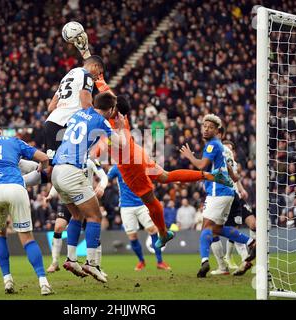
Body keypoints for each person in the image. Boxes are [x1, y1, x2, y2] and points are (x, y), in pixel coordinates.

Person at [93, 81, 233, 250]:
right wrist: (97, 77)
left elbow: (102, 146)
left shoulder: (109, 125)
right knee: (166, 176)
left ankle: (163, 233)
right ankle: (209, 175)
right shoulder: (119, 114)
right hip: (139, 154)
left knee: (150, 201)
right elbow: (107, 93)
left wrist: (93, 153)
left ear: (112, 110)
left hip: (131, 166)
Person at [0, 115, 53, 295]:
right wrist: (41, 167)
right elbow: (44, 157)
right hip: (16, 187)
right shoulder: (13, 141)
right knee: (27, 238)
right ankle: (43, 282)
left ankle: (7, 280)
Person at [51, 91, 126, 283]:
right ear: (110, 110)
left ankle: (71, 259)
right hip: (72, 170)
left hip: (56, 171)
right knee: (95, 216)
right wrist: (120, 127)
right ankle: (92, 263)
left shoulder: (78, 113)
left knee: (77, 215)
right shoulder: (103, 122)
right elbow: (121, 145)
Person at [44, 55, 105, 264]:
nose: (97, 78)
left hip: (51, 124)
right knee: (64, 168)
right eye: (99, 74)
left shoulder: (68, 75)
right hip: (63, 127)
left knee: (55, 172)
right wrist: (91, 116)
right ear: (95, 67)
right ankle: (90, 261)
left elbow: (51, 107)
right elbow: (86, 100)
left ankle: (69, 257)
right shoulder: (87, 75)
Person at [180, 114, 256, 278]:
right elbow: (232, 172)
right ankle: (251, 242)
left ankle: (205, 262)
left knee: (206, 228)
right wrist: (233, 177)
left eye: (210, 127)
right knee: (217, 229)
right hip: (227, 192)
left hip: (217, 191)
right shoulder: (221, 147)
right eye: (204, 126)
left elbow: (201, 165)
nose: (206, 129)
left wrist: (189, 156)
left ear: (217, 131)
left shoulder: (211, 146)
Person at [45, 158, 108, 273]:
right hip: (68, 198)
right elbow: (59, 178)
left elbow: (104, 176)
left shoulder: (91, 160)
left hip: (85, 199)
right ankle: (55, 262)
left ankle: (96, 265)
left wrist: (101, 187)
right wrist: (51, 194)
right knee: (58, 227)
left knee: (92, 230)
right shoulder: (67, 158)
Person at [107, 164, 171, 271]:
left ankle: (160, 262)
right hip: (126, 207)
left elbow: (153, 173)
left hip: (142, 204)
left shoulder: (139, 164)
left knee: (153, 230)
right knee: (132, 236)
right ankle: (141, 261)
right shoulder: (116, 168)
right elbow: (106, 178)